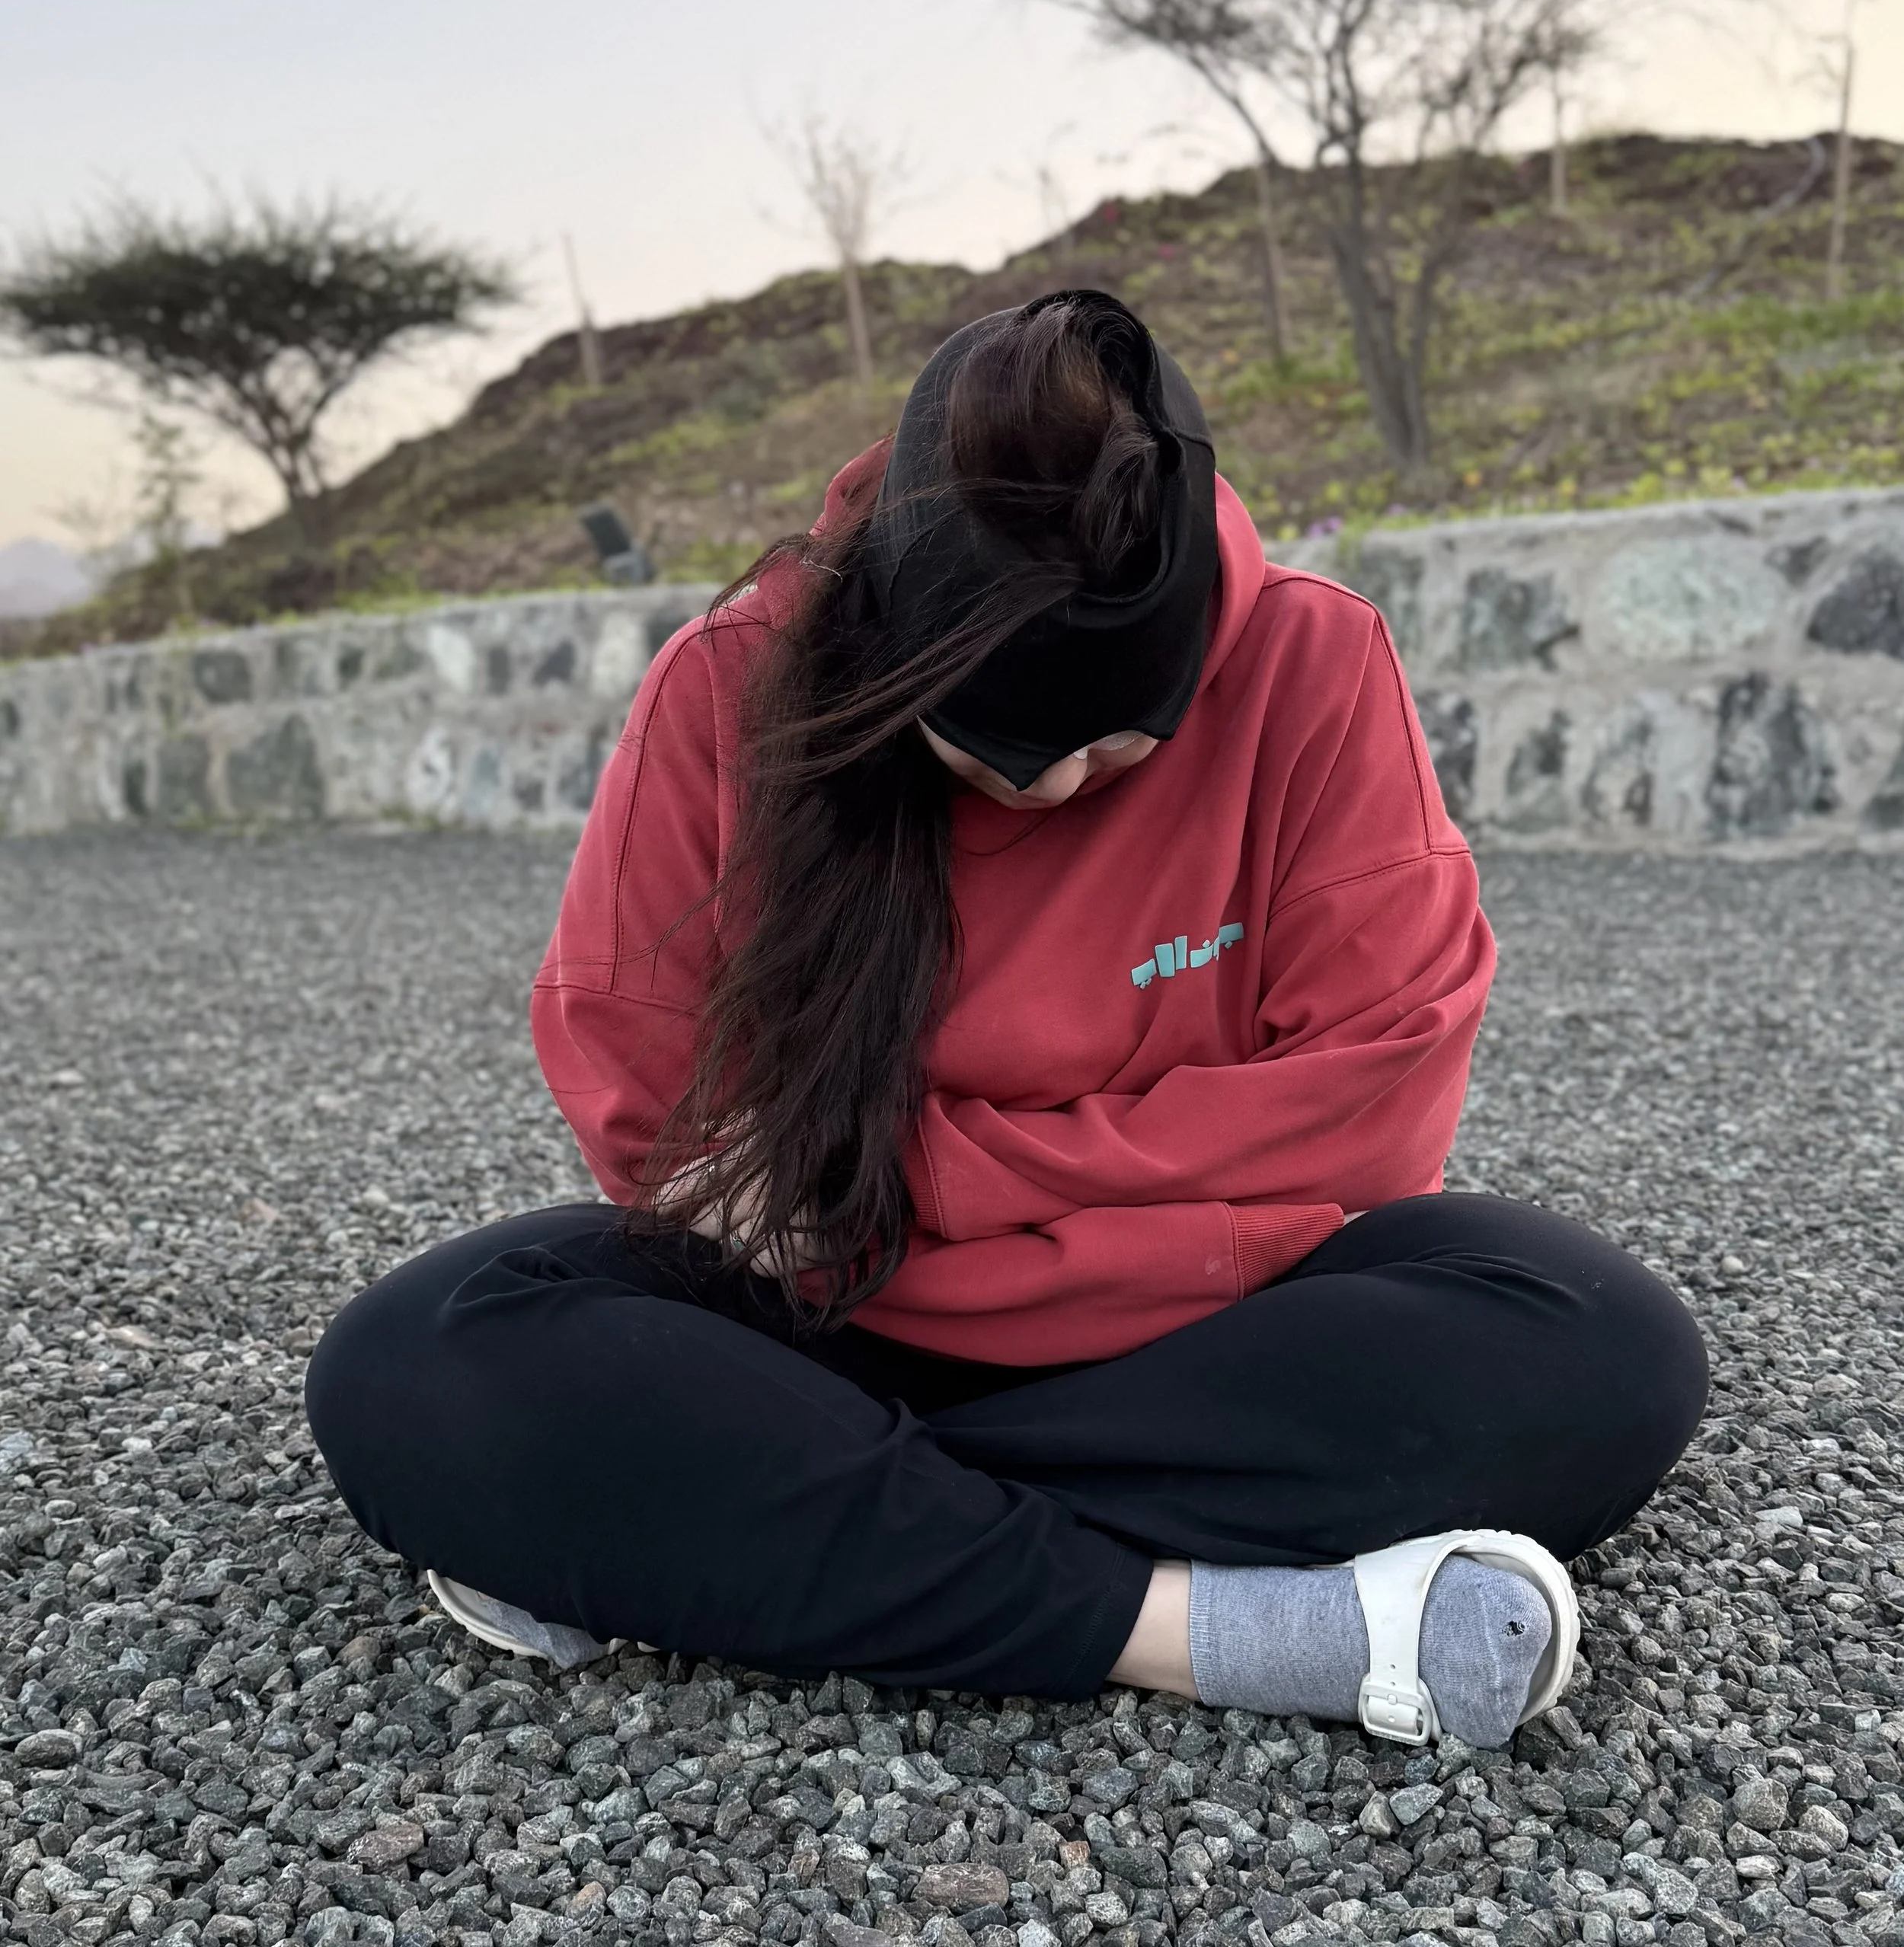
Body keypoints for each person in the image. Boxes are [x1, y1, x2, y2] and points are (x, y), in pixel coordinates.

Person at [306, 292, 1705, 1743]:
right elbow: (654, 1098)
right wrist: (1117, 1188)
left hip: (1195, 1338)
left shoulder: (1313, 663)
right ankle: (1236, 1632)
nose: (1052, 790)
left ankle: (714, 1525)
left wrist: (896, 1179)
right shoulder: (730, 684)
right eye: (990, 752)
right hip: (824, 1327)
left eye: (1116, 749)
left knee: (1603, 1340)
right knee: (421, 1356)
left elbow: (1372, 1105)